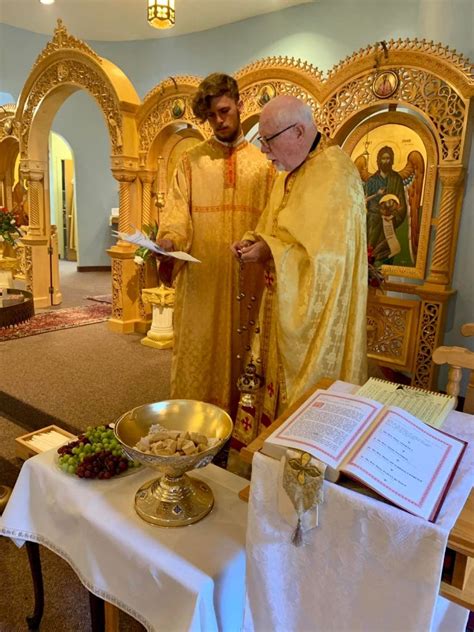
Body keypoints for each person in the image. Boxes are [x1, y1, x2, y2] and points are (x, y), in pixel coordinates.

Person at [231, 95, 368, 449]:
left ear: (300, 131)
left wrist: (271, 252)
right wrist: (253, 241)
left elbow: (330, 265)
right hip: (280, 307)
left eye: (269, 140)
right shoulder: (289, 169)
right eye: (262, 141)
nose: (264, 151)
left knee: (306, 423)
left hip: (316, 325)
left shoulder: (337, 177)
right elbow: (275, 225)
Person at [156, 73, 274, 418]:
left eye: (224, 111)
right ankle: (195, 423)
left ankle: (242, 427)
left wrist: (263, 245)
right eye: (210, 116)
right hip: (201, 281)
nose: (219, 121)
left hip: (248, 278)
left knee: (247, 349)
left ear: (240, 105)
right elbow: (176, 214)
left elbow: (274, 218)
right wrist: (167, 241)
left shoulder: (264, 164)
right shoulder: (191, 161)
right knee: (199, 348)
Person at [365, 146, 407, 265]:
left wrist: (392, 215)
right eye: (383, 158)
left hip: (389, 223)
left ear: (392, 160)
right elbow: (365, 203)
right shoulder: (371, 180)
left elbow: (401, 205)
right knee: (369, 251)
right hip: (372, 224)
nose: (386, 161)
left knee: (386, 251)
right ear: (378, 160)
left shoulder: (396, 179)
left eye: (389, 158)